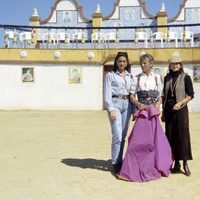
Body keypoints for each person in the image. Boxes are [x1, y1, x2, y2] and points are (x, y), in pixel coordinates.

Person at [117, 53, 173, 182]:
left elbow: (161, 95)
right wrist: (138, 104)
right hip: (142, 112)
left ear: (151, 64)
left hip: (153, 112)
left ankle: (155, 165)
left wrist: (158, 104)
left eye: (145, 63)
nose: (142, 65)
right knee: (137, 139)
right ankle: (130, 169)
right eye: (141, 63)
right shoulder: (136, 79)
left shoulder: (158, 78)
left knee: (156, 140)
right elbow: (131, 95)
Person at [162, 53, 194, 176]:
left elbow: (190, 95)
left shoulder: (186, 77)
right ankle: (175, 163)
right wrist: (163, 112)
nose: (175, 65)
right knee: (170, 136)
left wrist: (180, 103)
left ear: (180, 65)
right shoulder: (167, 78)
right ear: (170, 65)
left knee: (182, 136)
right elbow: (164, 96)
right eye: (173, 63)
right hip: (169, 111)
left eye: (177, 63)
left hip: (181, 111)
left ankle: (185, 163)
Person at [104, 52, 135, 174]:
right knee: (117, 134)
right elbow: (107, 93)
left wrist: (133, 110)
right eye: (120, 61)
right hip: (115, 103)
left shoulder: (130, 76)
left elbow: (132, 94)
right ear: (116, 62)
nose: (122, 63)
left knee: (123, 136)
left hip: (127, 105)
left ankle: (120, 160)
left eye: (124, 61)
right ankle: (115, 163)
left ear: (127, 63)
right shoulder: (110, 76)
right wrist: (110, 109)